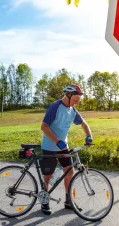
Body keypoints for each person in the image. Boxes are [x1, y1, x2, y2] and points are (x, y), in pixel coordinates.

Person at [39, 84, 93, 215]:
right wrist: (57, 141)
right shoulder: (55, 107)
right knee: (48, 177)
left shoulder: (72, 110)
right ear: (68, 95)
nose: (77, 102)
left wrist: (89, 136)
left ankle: (68, 201)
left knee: (69, 171)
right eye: (76, 99)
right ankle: (44, 202)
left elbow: (83, 123)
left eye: (78, 100)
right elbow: (44, 126)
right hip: (49, 147)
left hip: (63, 147)